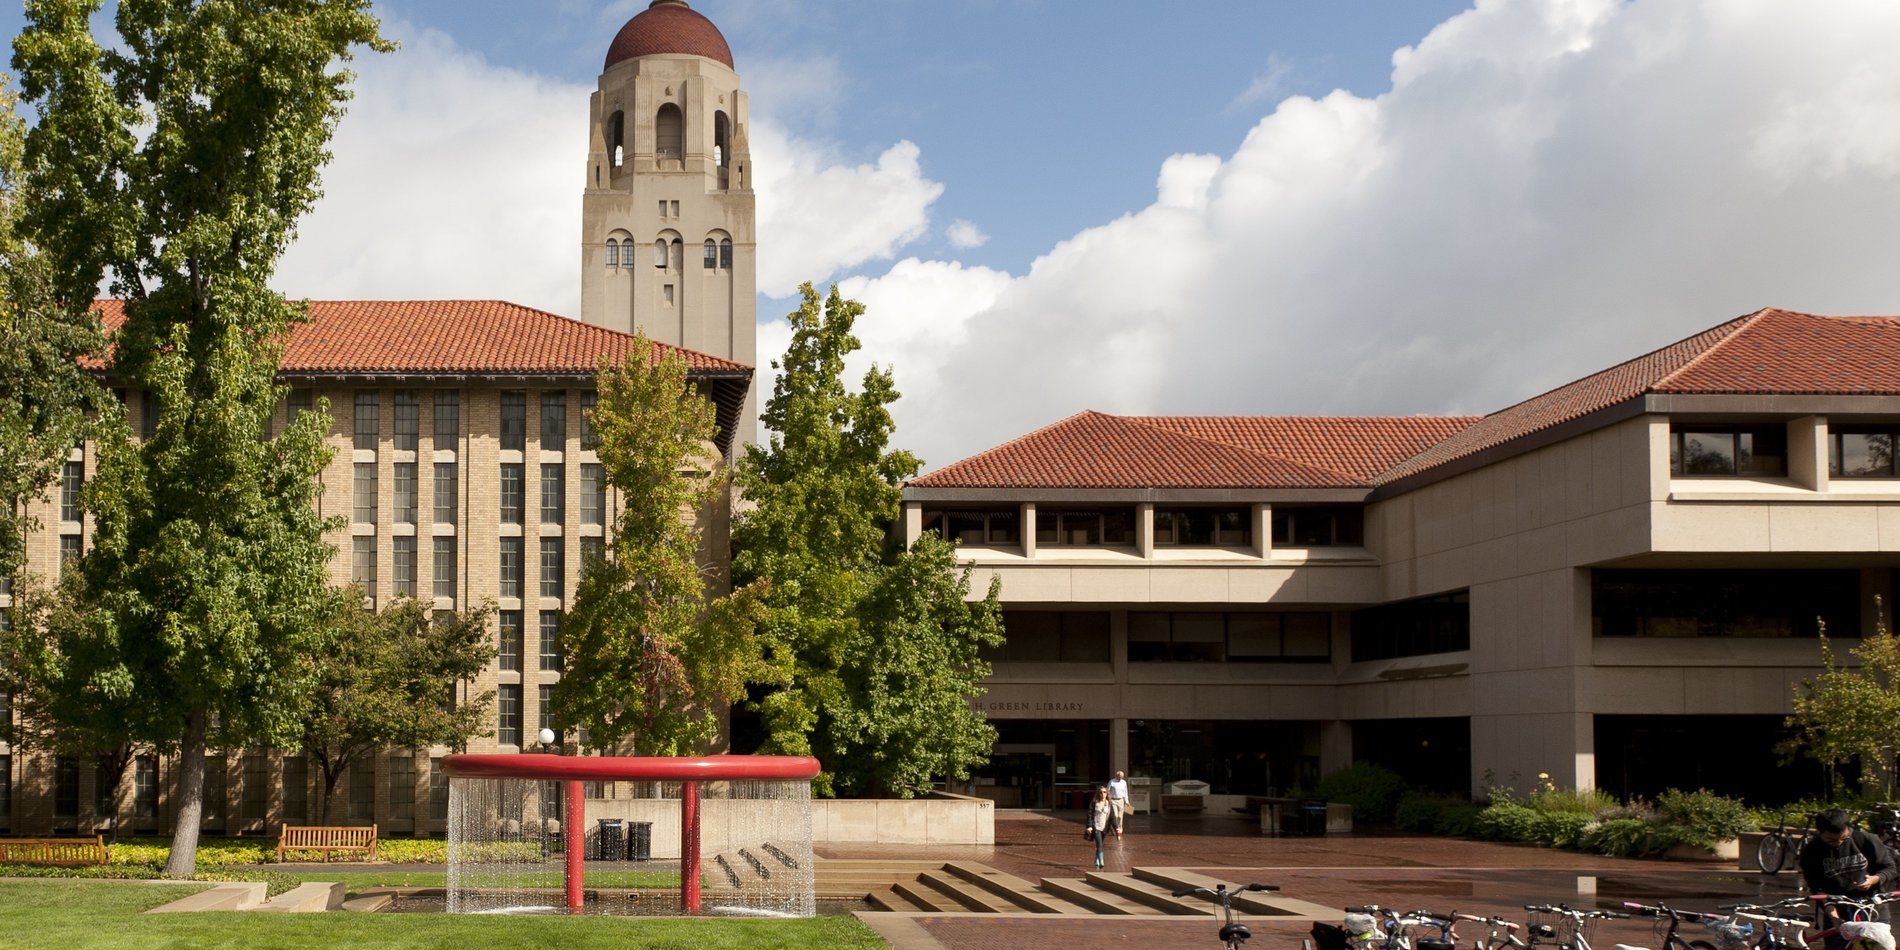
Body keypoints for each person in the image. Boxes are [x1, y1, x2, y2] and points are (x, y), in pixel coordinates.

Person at [1800, 809, 1899, 950]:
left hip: (1873, 909)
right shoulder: (1811, 851)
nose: (1839, 843)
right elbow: (1817, 888)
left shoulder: (1866, 840)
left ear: (1849, 828)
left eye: (1844, 838)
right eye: (1831, 840)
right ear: (1820, 832)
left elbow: (1890, 869)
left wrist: (1873, 879)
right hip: (1837, 910)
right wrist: (1834, 917)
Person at [1087, 786, 1112, 868]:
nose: (1103, 794)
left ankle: (1096, 859)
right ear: (1098, 793)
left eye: (1104, 792)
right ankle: (1101, 861)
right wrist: (1090, 826)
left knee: (1099, 845)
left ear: (1107, 793)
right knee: (1099, 844)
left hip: (1104, 827)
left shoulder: (1109, 804)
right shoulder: (1094, 803)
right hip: (1096, 826)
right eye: (1101, 792)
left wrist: (1117, 828)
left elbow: (1113, 817)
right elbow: (1090, 815)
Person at [1107, 770, 1130, 837]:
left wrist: (1127, 801)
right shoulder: (1112, 781)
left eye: (1122, 777)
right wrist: (1108, 800)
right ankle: (1115, 828)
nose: (1120, 778)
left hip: (1121, 800)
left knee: (1120, 816)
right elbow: (1107, 791)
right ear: (1116, 776)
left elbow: (1125, 792)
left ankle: (1120, 829)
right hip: (1113, 800)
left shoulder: (1124, 782)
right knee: (1115, 816)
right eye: (1119, 777)